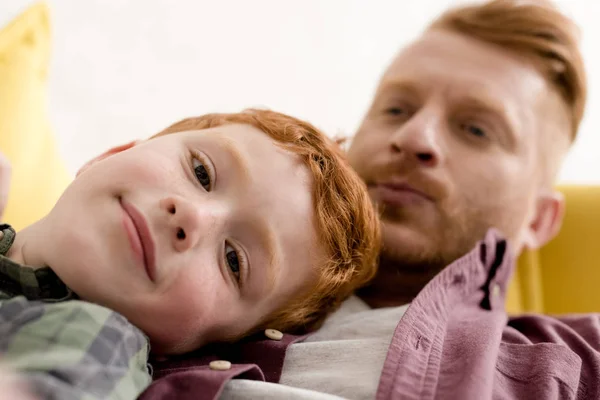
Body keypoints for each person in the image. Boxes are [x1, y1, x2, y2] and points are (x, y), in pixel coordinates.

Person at [139, 1, 600, 399]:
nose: (413, 137)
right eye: (396, 108)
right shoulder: (186, 250)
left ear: (539, 219)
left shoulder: (581, 359)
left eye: (476, 129)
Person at [0, 109, 380, 399]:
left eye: (234, 261)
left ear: (215, 343)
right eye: (201, 172)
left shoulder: (98, 341)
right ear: (110, 154)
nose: (193, 217)